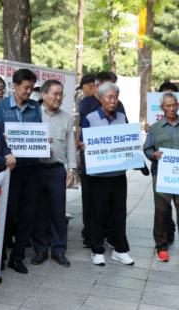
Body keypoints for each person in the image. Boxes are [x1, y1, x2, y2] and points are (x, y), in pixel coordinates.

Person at [81, 82, 134, 266]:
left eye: (116, 97)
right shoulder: (90, 118)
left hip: (118, 175)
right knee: (97, 213)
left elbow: (128, 141)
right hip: (98, 177)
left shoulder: (122, 117)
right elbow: (82, 142)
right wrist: (83, 145)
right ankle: (97, 250)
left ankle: (120, 249)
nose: (113, 101)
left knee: (119, 213)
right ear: (100, 98)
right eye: (109, 97)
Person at [0, 69, 42, 274]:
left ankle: (18, 256)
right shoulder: (1, 106)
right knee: (7, 211)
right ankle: (1, 254)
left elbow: (38, 132)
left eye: (31, 88)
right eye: (25, 88)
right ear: (14, 85)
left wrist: (43, 141)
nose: (28, 92)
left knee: (28, 212)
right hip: (10, 168)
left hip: (31, 167)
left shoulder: (35, 107)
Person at [31, 80, 76, 268]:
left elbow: (71, 144)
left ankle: (59, 250)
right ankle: (40, 250)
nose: (58, 98)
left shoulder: (66, 117)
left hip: (57, 170)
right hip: (36, 169)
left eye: (61, 94)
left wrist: (72, 168)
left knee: (58, 212)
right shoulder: (32, 114)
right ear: (43, 94)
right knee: (38, 212)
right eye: (54, 94)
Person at [143, 93, 179, 262]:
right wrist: (154, 155)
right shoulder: (155, 128)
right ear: (162, 108)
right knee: (161, 212)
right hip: (162, 176)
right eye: (168, 106)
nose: (172, 108)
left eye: (174, 105)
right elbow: (147, 149)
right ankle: (161, 247)